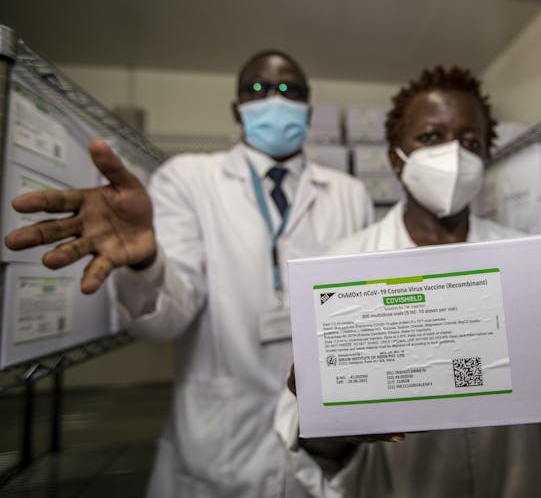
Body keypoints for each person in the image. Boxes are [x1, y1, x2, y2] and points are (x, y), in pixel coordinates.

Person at [4, 50, 374, 497]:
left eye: (290, 90)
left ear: (309, 109)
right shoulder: (188, 179)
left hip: (322, 441)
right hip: (215, 445)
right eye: (258, 88)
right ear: (237, 108)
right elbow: (166, 319)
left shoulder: (350, 195)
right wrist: (144, 262)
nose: (275, 98)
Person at [274, 66, 541, 497]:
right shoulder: (342, 268)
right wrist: (334, 425)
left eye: (470, 142)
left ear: (485, 159)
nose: (453, 155)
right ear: (394, 155)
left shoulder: (529, 263)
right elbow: (307, 445)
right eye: (429, 137)